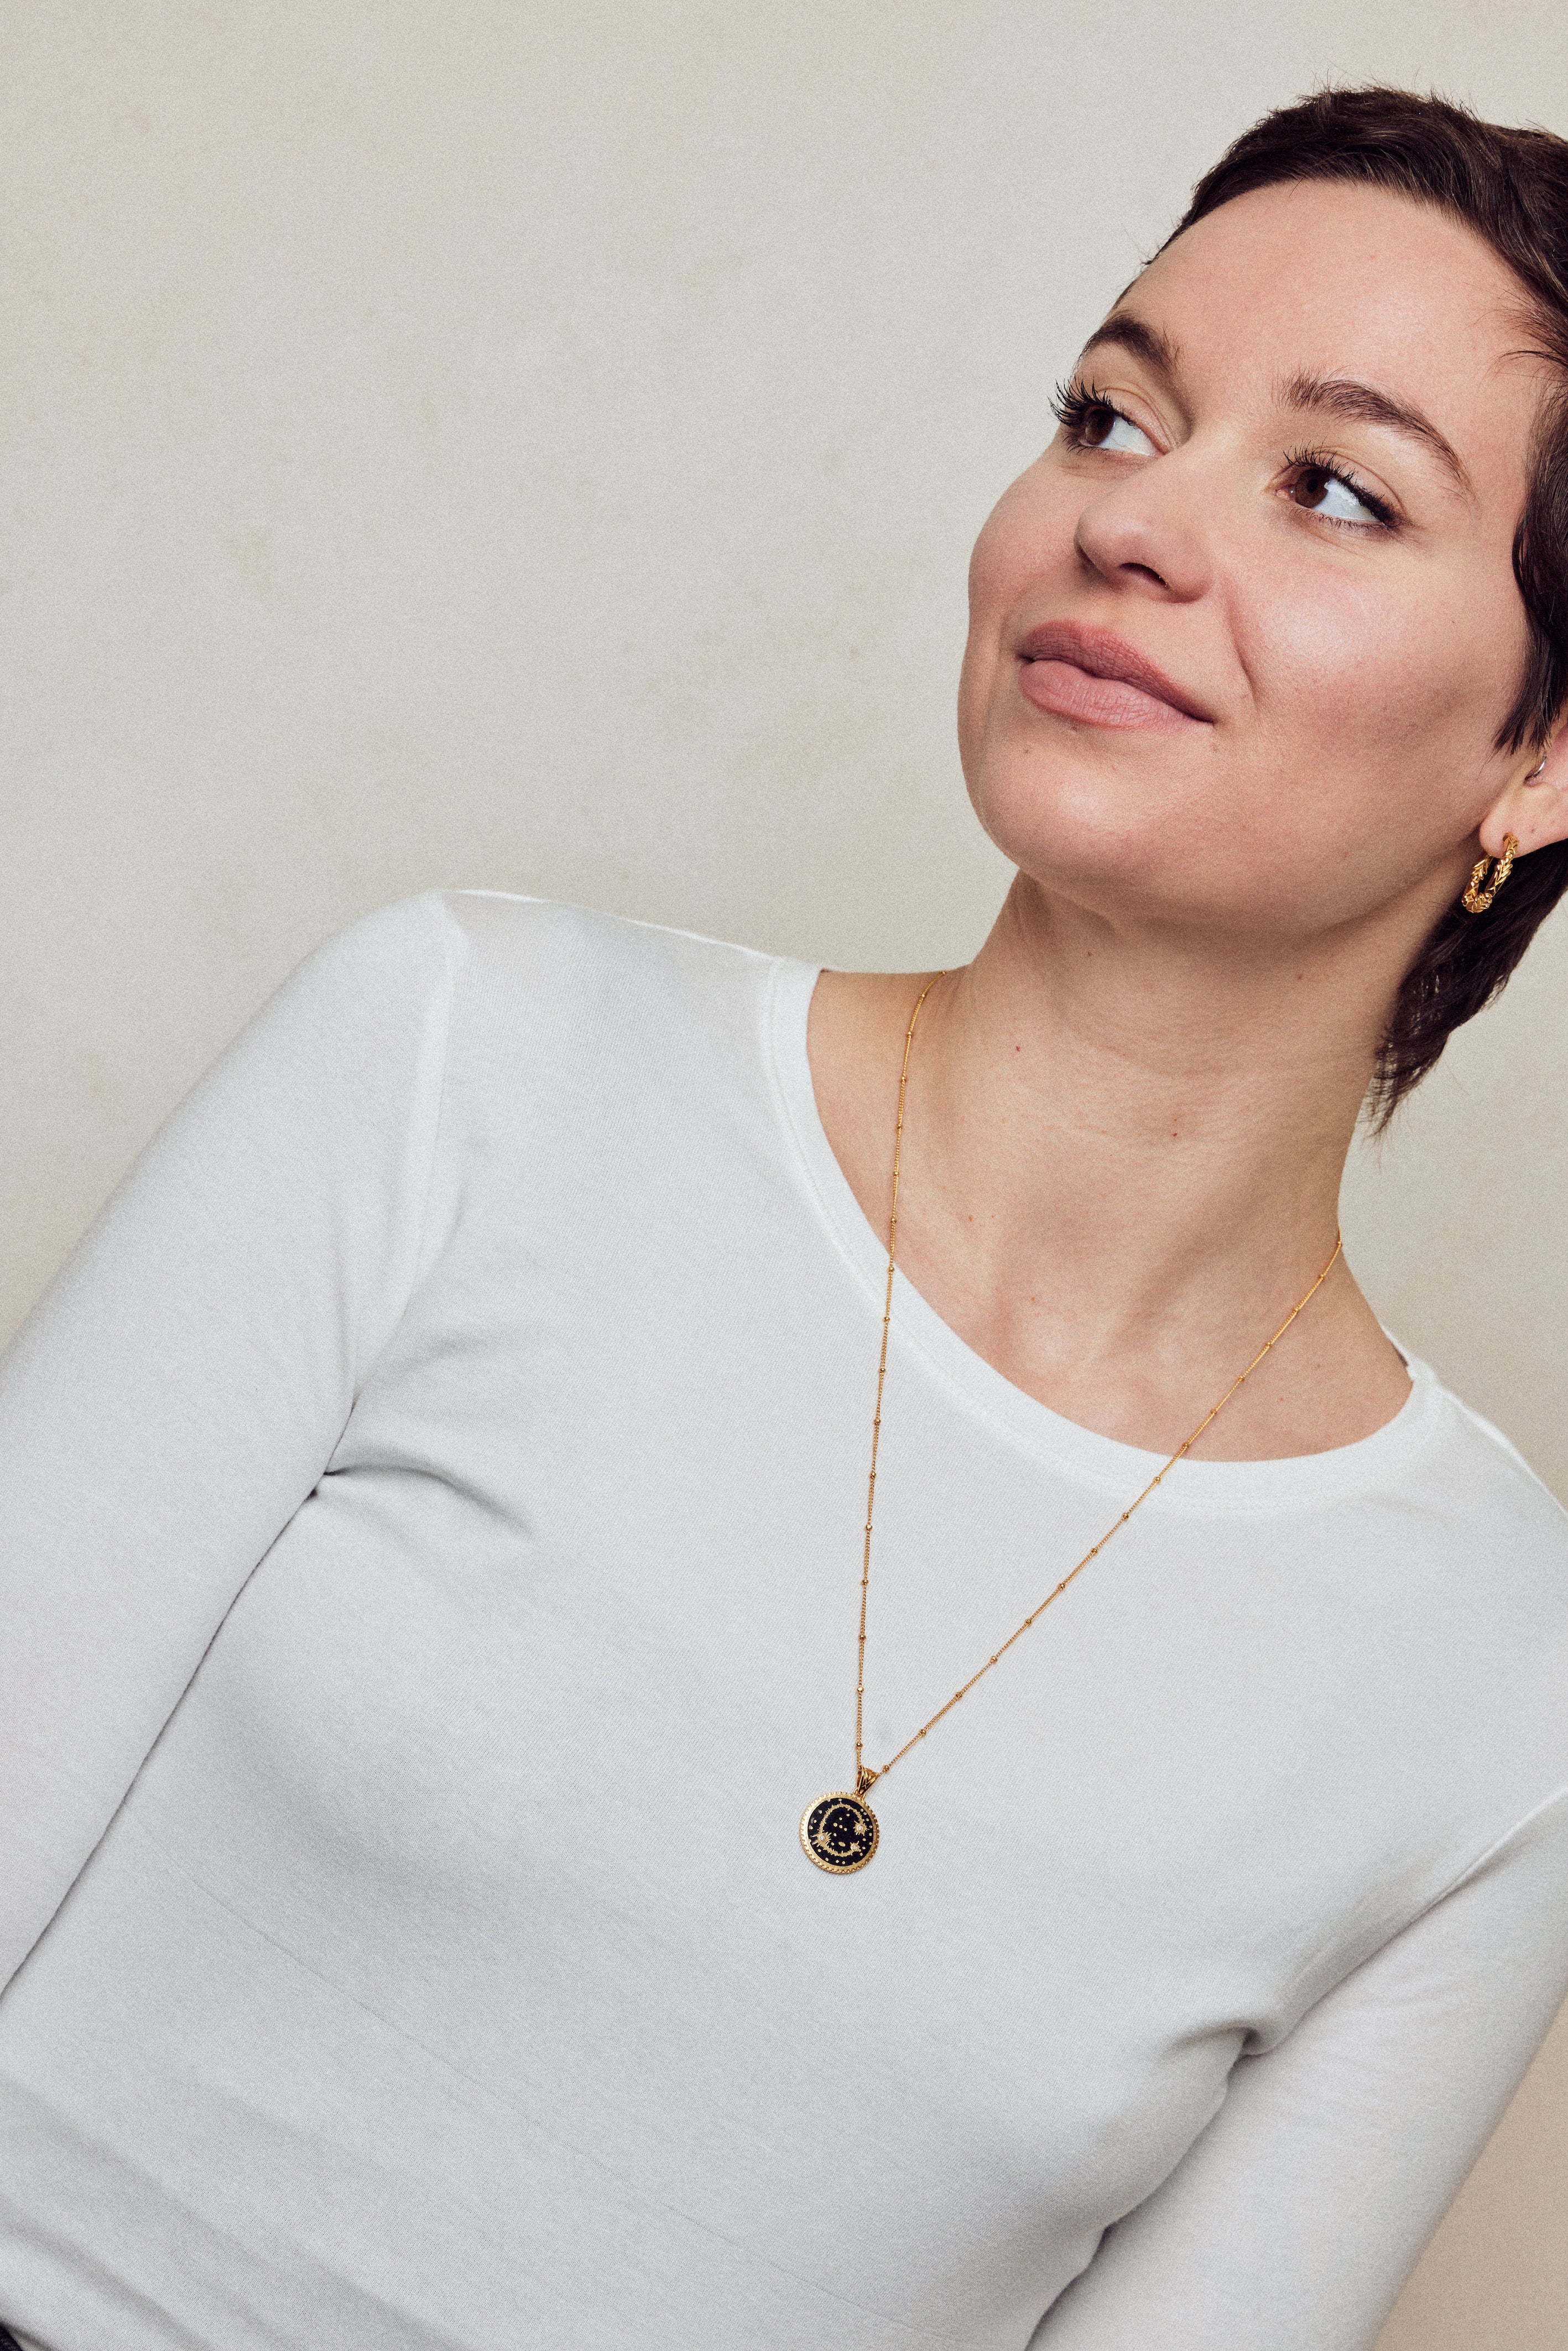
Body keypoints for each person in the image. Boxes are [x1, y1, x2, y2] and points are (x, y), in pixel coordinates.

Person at [3, 81, 1568, 2351]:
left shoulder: (1501, 1679)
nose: (1133, 522)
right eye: (1111, 415)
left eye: (1333, 487)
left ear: (1539, 752)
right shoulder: (459, 1057)